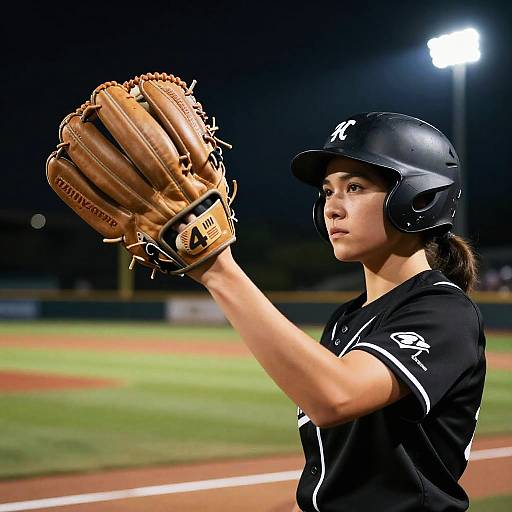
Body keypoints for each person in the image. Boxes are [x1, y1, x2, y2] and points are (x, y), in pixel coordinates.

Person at [180, 112, 486, 511]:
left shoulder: (445, 312)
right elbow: (333, 477)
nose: (332, 208)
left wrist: (219, 272)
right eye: (327, 191)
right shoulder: (346, 320)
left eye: (354, 187)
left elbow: (335, 397)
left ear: (420, 198)